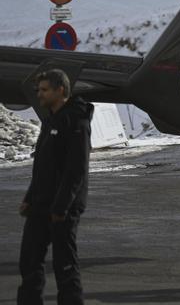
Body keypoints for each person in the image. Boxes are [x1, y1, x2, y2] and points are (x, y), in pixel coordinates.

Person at [18, 69, 93, 305]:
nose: (39, 95)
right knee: (29, 261)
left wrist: (61, 208)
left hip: (63, 209)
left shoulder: (76, 120)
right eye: (38, 90)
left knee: (65, 266)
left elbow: (76, 170)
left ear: (60, 90)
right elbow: (41, 166)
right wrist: (30, 198)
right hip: (40, 205)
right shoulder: (50, 119)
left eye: (44, 90)